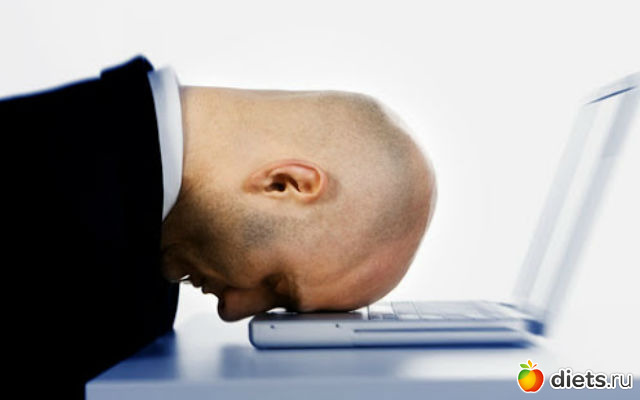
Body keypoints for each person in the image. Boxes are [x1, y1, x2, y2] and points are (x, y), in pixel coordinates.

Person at [1, 55, 436, 399]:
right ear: (283, 183)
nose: (233, 310)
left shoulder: (129, 239)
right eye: (275, 283)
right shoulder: (51, 218)